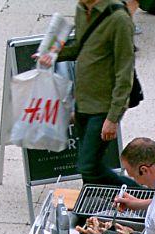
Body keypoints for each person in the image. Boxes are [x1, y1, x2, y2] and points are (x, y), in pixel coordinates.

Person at [38, 1, 137, 188]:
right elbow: (80, 48)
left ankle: (145, 197)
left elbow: (125, 72)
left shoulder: (119, 19)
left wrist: (113, 117)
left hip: (103, 107)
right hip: (82, 102)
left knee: (89, 166)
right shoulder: (82, 9)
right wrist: (52, 55)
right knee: (89, 170)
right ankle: (92, 209)